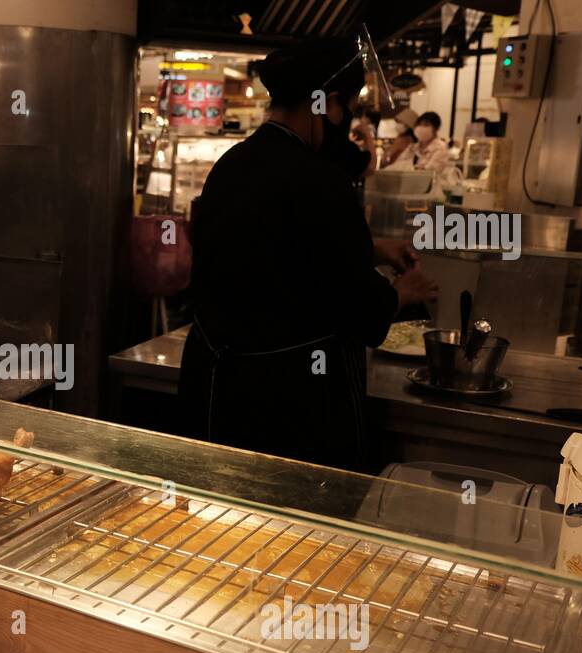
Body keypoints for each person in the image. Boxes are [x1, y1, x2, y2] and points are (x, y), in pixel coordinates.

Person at [179, 38, 439, 473]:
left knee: (218, 525)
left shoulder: (233, 164)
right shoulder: (323, 180)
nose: (348, 120)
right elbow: (359, 309)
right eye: (350, 108)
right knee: (292, 534)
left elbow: (269, 247)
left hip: (215, 389)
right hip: (288, 403)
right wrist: (402, 291)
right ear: (329, 104)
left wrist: (372, 248)